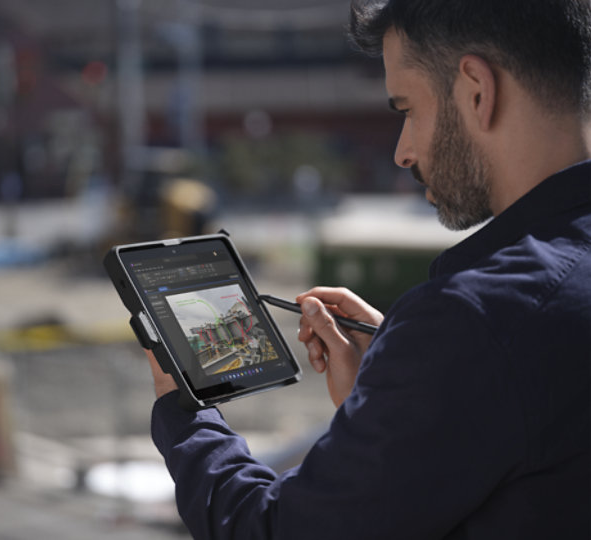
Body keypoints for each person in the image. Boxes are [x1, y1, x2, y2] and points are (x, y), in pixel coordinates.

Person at [144, 0, 591, 538]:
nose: (404, 152)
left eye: (407, 109)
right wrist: (407, 384)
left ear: (477, 89)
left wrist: (184, 412)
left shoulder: (475, 320)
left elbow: (271, 531)